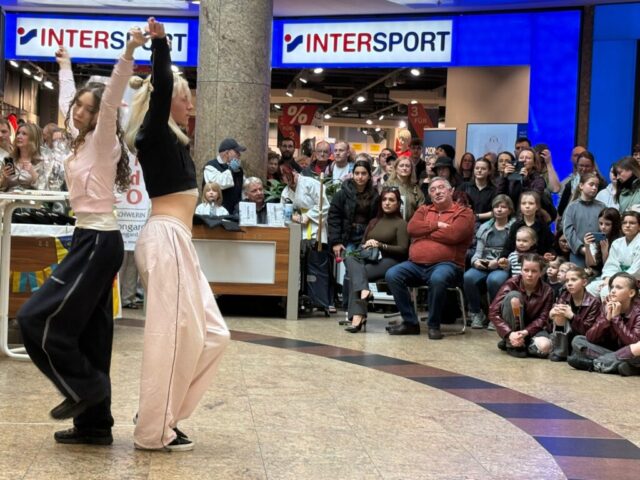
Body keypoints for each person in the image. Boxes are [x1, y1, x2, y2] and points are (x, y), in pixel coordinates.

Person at [17, 32, 144, 446]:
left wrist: (129, 52)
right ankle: (94, 425)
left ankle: (85, 387)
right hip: (89, 237)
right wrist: (64, 65)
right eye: (79, 107)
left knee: (34, 318)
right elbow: (70, 101)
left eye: (90, 108)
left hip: (98, 241)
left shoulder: (103, 138)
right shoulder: (80, 137)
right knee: (93, 333)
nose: (81, 111)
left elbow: (110, 98)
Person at [125, 18, 230, 452]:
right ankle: (154, 429)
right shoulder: (152, 134)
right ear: (167, 100)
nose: (190, 105)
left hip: (178, 241)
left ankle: (161, 413)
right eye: (185, 98)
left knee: (214, 334)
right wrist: (161, 44)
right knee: (171, 338)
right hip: (165, 239)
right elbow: (163, 84)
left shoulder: (174, 142)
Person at [385, 177, 474, 339]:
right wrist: (436, 225)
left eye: (441, 188)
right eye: (433, 190)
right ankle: (410, 322)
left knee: (437, 278)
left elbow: (454, 235)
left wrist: (425, 233)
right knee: (393, 274)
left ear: (451, 191)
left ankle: (434, 326)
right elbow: (412, 229)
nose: (437, 192)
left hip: (448, 265)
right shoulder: (423, 210)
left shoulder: (464, 213)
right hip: (416, 265)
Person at [343, 187, 409, 333]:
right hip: (370, 258)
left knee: (358, 274)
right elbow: (362, 243)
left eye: (391, 200)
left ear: (398, 203)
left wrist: (380, 245)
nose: (387, 203)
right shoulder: (374, 222)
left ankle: (357, 317)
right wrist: (367, 244)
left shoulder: (401, 224)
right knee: (350, 257)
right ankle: (365, 292)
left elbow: (403, 250)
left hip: (390, 261)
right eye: (384, 199)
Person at [570, 272, 640, 375]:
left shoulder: (638, 312)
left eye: (618, 287)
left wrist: (616, 319)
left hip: (632, 354)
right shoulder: (607, 306)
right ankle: (619, 365)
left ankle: (595, 364)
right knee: (578, 340)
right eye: (612, 287)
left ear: (631, 293)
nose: (613, 291)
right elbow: (591, 337)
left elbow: (633, 343)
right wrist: (606, 319)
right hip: (613, 352)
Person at [464, 194, 515, 329]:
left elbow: (513, 252)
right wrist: (476, 261)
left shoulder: (514, 227)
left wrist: (498, 263)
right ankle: (476, 313)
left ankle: (495, 315)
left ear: (510, 210)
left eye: (503, 207)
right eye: (496, 207)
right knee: (468, 277)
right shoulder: (485, 227)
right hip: (484, 263)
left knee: (494, 280)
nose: (499, 209)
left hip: (502, 265)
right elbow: (478, 251)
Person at [489, 254, 555, 358]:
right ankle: (512, 343)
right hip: (511, 328)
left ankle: (518, 343)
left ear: (541, 273)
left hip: (533, 329)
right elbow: (493, 312)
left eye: (534, 271)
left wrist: (525, 332)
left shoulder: (548, 291)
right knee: (514, 297)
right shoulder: (511, 283)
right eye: (526, 270)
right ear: (521, 270)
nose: (529, 274)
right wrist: (509, 333)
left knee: (545, 347)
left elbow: (543, 318)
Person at [548, 266, 601, 362]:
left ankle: (573, 352)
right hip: (566, 337)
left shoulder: (594, 302)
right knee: (559, 313)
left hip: (583, 338)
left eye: (573, 280)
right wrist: (551, 314)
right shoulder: (564, 296)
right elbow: (553, 322)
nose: (569, 283)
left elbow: (588, 330)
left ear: (584, 282)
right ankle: (561, 352)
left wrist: (572, 316)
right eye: (567, 281)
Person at [586, 211, 640, 300]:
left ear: (639, 226)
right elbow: (611, 265)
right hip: (615, 278)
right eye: (624, 223)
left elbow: (636, 270)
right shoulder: (617, 243)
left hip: (634, 281)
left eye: (632, 223)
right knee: (590, 289)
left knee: (606, 292)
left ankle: (613, 309)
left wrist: (614, 281)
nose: (627, 225)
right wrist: (608, 279)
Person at [562, 173, 605, 267]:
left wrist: (599, 249)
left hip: (598, 254)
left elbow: (606, 228)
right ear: (581, 186)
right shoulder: (572, 207)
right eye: (591, 184)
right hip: (578, 254)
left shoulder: (602, 206)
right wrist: (581, 248)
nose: (594, 188)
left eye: (597, 186)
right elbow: (568, 231)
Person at [502, 191, 554, 260]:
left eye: (531, 203)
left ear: (537, 206)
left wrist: (549, 254)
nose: (527, 206)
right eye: (523, 203)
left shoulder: (543, 226)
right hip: (517, 261)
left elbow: (549, 246)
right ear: (520, 206)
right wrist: (502, 258)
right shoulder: (515, 226)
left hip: (538, 261)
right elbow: (508, 247)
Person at [202, 137, 246, 213]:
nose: (239, 155)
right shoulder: (210, 166)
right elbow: (217, 184)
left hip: (235, 212)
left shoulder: (238, 169)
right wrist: (231, 170)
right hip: (217, 212)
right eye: (237, 152)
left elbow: (243, 188)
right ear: (227, 153)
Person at [557, 151, 606, 217]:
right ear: (577, 166)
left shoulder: (601, 184)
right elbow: (561, 210)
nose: (584, 169)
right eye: (581, 165)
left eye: (587, 166)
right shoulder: (571, 184)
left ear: (593, 167)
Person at [1, 122, 44, 192]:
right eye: (18, 133)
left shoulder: (40, 162)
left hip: (31, 198)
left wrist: (33, 173)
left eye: (24, 134)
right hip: (9, 197)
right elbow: (2, 188)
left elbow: (44, 188)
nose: (18, 136)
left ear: (33, 138)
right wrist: (4, 178)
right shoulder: (10, 160)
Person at [383, 156, 424, 221]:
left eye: (407, 166)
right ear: (396, 168)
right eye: (401, 166)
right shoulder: (388, 185)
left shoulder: (415, 188)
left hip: (410, 224)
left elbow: (421, 208)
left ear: (411, 169)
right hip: (391, 222)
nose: (404, 168)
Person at [584, 207, 621, 275]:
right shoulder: (596, 238)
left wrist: (605, 252)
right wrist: (587, 247)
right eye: (601, 223)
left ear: (615, 225)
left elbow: (609, 268)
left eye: (607, 224)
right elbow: (591, 265)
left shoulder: (620, 240)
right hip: (599, 274)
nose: (603, 227)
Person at [460, 157, 496, 224]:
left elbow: (495, 211)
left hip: (486, 224)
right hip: (465, 222)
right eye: (477, 168)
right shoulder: (464, 186)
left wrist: (477, 216)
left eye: (483, 169)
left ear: (489, 171)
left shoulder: (494, 190)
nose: (479, 170)